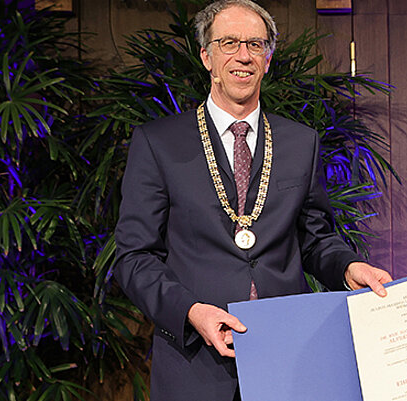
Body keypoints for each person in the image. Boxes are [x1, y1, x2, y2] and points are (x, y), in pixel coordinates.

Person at [113, 1, 392, 399]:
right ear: (207, 56)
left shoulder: (301, 143)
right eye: (229, 43)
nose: (243, 55)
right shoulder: (159, 144)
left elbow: (316, 239)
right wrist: (192, 312)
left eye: (255, 44)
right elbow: (133, 257)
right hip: (195, 366)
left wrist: (348, 268)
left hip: (289, 360)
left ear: (268, 58)